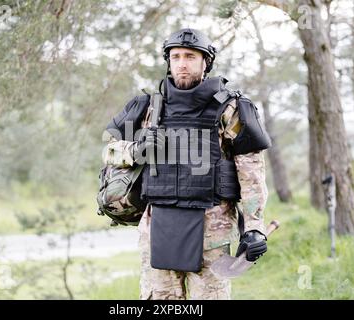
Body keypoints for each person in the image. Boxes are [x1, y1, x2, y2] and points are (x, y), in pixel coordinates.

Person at [102, 28, 271, 300]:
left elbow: (251, 171)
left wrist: (254, 227)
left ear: (206, 63)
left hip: (212, 233)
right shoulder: (146, 107)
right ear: (168, 60)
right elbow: (108, 152)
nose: (182, 63)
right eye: (176, 56)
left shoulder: (230, 108)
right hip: (158, 229)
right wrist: (137, 150)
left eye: (190, 56)